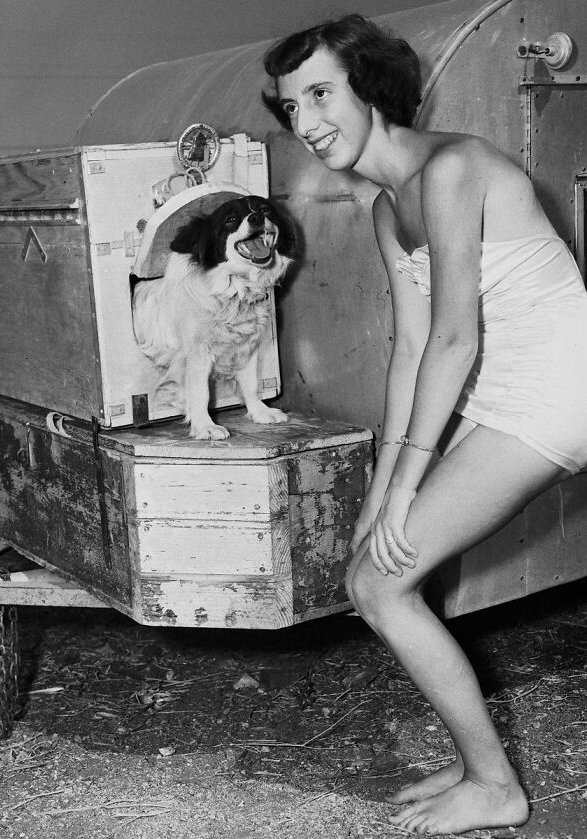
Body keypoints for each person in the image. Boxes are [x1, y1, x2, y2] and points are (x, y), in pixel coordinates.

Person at [262, 13, 587, 837]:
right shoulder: (384, 207)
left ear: (370, 86)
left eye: (322, 94)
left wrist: (410, 483)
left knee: (378, 583)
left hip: (558, 387)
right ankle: (477, 758)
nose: (306, 123)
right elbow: (409, 353)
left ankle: (495, 785)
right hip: (506, 390)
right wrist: (381, 493)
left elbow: (455, 338)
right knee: (375, 566)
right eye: (292, 106)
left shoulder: (453, 169)